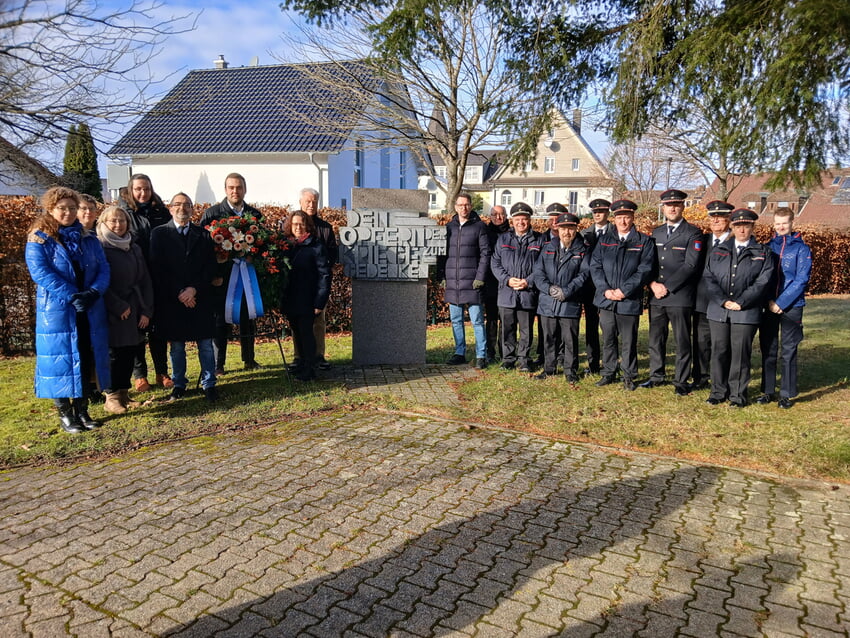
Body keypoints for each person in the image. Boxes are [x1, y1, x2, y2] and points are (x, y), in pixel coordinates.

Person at [25, 186, 111, 433]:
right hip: (58, 312)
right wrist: (72, 295)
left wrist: (93, 292)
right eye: (62, 208)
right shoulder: (39, 238)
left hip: (89, 308)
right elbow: (41, 272)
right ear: (51, 209)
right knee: (60, 361)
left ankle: (82, 409)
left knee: (85, 356)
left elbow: (103, 268)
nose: (68, 212)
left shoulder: (88, 238)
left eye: (72, 208)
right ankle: (65, 413)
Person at [149, 193, 219, 402]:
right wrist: (180, 292)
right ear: (170, 209)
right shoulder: (159, 234)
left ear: (192, 209)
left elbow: (210, 267)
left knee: (206, 344)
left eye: (187, 205)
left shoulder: (203, 235)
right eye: (178, 205)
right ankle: (179, 384)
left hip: (199, 298)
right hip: (173, 300)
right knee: (177, 345)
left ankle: (209, 384)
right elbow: (157, 268)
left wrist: (193, 290)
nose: (183, 208)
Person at [702, 208, 774, 408]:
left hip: (746, 312)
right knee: (719, 351)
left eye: (747, 225)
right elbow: (709, 277)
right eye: (738, 225)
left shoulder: (763, 252)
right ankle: (717, 392)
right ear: (732, 227)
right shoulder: (718, 250)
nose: (742, 229)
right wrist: (723, 301)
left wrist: (741, 301)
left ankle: (737, 396)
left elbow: (762, 282)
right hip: (719, 310)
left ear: (753, 227)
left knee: (740, 354)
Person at [641, 189, 704, 396]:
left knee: (682, 340)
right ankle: (656, 376)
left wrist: (666, 286)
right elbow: (648, 263)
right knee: (656, 338)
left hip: (679, 296)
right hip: (656, 295)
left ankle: (681, 380)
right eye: (669, 205)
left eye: (676, 204)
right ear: (664, 208)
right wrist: (652, 284)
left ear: (682, 207)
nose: (672, 208)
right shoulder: (656, 233)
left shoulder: (693, 233)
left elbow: (690, 266)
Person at [200, 173, 265, 374]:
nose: (235, 191)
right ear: (225, 189)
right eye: (231, 187)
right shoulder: (212, 214)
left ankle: (249, 359)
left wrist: (255, 258)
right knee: (221, 321)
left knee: (248, 316)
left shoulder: (255, 215)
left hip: (247, 275)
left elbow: (263, 244)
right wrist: (214, 273)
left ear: (244, 189)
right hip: (222, 278)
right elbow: (203, 249)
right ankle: (219, 364)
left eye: (238, 187)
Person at [590, 199, 655, 390]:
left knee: (628, 341)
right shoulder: (604, 241)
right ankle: (609, 372)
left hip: (629, 300)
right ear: (614, 219)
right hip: (607, 299)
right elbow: (595, 266)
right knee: (608, 338)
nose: (623, 221)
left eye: (627, 217)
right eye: (619, 217)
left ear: (633, 217)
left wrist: (624, 291)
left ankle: (628, 375)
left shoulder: (644, 241)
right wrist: (606, 290)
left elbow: (644, 270)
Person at [96, 206, 154, 414]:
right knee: (115, 355)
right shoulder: (100, 247)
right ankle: (111, 397)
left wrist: (146, 309)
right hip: (114, 311)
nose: (118, 225)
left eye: (122, 220)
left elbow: (145, 279)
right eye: (113, 221)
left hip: (135, 308)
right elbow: (100, 281)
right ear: (104, 223)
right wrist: (118, 306)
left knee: (131, 352)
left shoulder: (134, 247)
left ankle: (123, 393)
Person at [119, 173, 172, 392]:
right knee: (137, 329)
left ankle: (162, 372)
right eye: (139, 189)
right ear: (131, 190)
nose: (143, 193)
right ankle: (140, 375)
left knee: (159, 329)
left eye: (147, 189)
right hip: (136, 278)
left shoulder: (161, 212)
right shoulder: (124, 214)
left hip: (159, 277)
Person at [756, 207, 812, 409]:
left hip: (792, 305)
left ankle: (786, 393)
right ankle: (768, 391)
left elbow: (801, 279)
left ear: (791, 223)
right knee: (768, 348)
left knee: (789, 350)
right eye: (778, 223)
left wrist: (782, 302)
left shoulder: (802, 249)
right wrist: (770, 301)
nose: (781, 227)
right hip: (769, 305)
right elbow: (763, 278)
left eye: (784, 223)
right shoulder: (767, 247)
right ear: (774, 224)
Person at [533, 212, 591, 382]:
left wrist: (567, 291)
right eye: (563, 228)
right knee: (549, 337)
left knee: (570, 339)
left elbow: (584, 274)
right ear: (557, 229)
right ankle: (549, 369)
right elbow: (538, 273)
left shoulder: (583, 250)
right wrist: (549, 289)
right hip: (547, 301)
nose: (567, 232)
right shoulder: (547, 247)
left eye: (571, 228)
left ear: (576, 229)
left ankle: (570, 371)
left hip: (569, 301)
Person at [436, 193, 491, 368]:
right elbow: (441, 254)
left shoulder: (479, 227)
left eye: (467, 205)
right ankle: (459, 352)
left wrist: (480, 277)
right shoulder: (448, 227)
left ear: (471, 206)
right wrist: (441, 276)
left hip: (473, 282)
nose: (464, 208)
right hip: (453, 281)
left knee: (476, 321)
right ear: (455, 207)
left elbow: (485, 253)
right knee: (456, 320)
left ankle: (481, 355)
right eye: (460, 205)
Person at [288, 188, 338, 372]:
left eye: (314, 202)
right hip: (297, 288)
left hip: (317, 286)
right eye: (308, 201)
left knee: (318, 321)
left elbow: (331, 254)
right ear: (301, 202)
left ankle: (318, 355)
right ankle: (298, 356)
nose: (311, 205)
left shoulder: (325, 228)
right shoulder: (292, 226)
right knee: (297, 322)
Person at [491, 202, 543, 372]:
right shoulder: (503, 239)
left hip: (527, 292)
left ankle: (524, 359)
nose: (521, 222)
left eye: (525, 219)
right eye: (517, 219)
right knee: (507, 328)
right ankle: (508, 359)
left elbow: (542, 266)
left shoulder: (539, 239)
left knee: (526, 329)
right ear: (512, 221)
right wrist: (506, 279)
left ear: (530, 220)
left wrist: (528, 281)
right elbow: (495, 263)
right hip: (507, 292)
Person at [280, 210, 331, 382]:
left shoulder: (316, 246)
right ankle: (302, 363)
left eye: (302, 224)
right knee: (297, 333)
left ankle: (310, 369)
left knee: (307, 333)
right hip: (291, 299)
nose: (298, 227)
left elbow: (324, 275)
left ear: (308, 226)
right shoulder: (287, 246)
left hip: (308, 300)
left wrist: (320, 301)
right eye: (295, 224)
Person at [691, 200, 733, 390]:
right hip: (702, 301)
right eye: (713, 217)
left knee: (722, 344)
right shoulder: (703, 240)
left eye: (720, 217)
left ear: (728, 219)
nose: (716, 220)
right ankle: (700, 377)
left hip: (724, 302)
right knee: (700, 342)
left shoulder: (735, 242)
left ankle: (723, 379)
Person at [579, 198, 611, 375]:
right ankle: (593, 364)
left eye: (601, 211)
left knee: (610, 328)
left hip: (610, 287)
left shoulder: (615, 232)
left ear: (608, 213)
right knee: (591, 327)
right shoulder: (584, 234)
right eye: (595, 212)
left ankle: (609, 363)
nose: (598, 214)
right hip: (590, 288)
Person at [484, 205, 509, 362]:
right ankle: (490, 351)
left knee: (506, 320)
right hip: (490, 282)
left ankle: (505, 352)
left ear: (506, 216)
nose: (498, 217)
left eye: (501, 214)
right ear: (490, 216)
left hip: (507, 282)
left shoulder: (512, 233)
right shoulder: (485, 233)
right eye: (494, 214)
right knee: (492, 319)